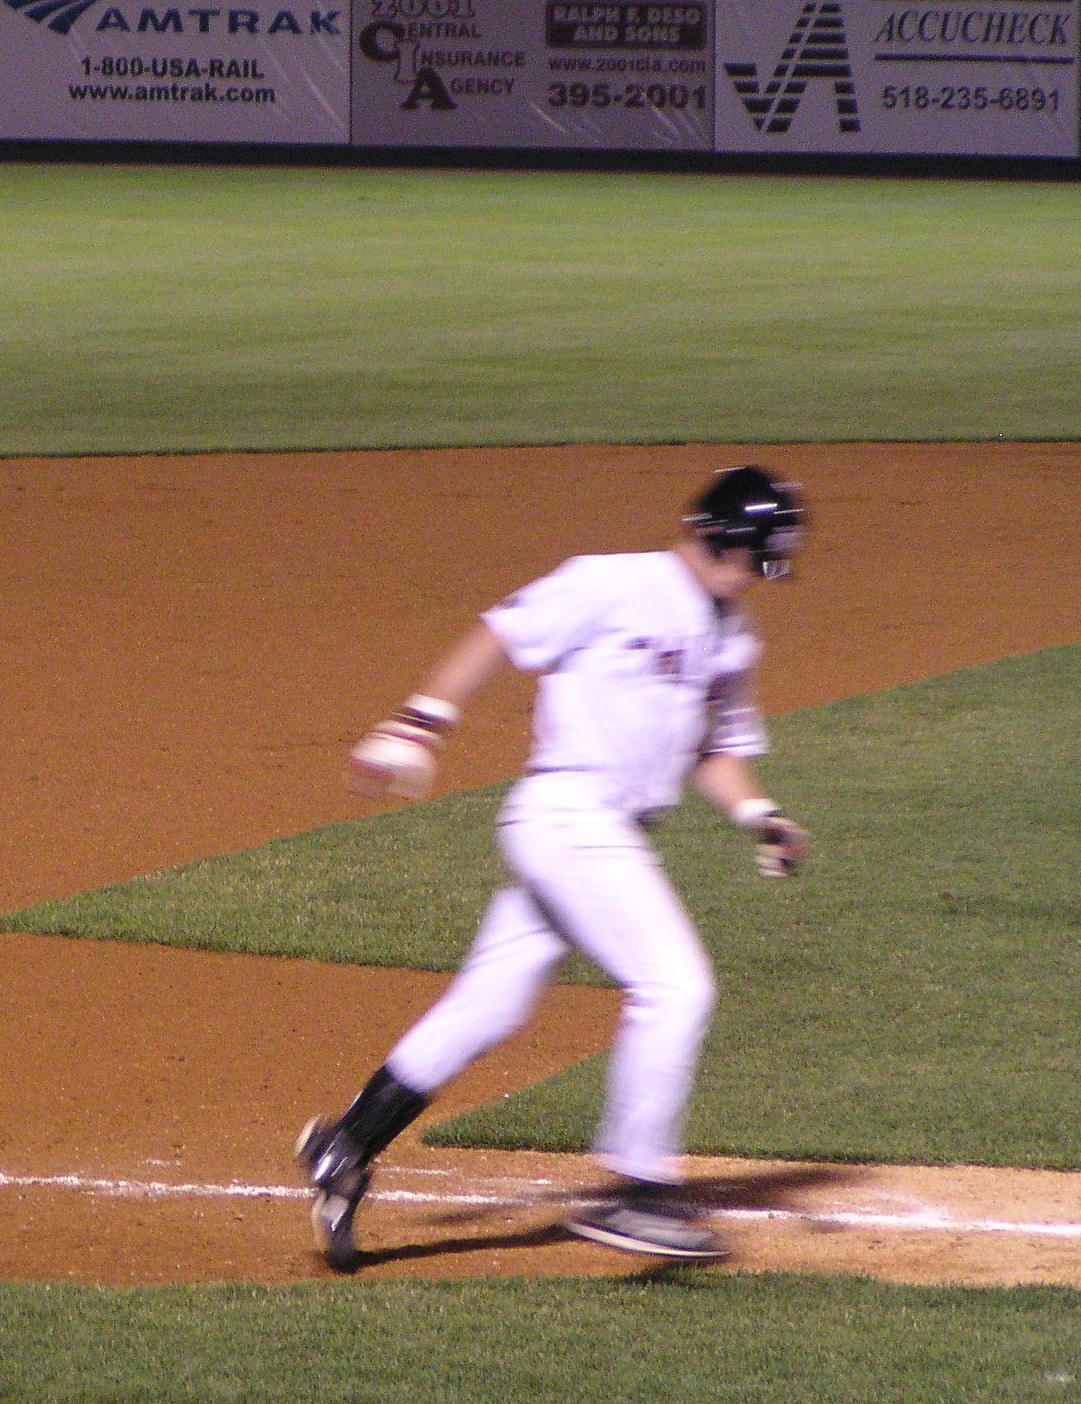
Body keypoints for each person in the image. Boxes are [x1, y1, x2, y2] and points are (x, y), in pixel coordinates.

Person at [296, 466, 809, 1268]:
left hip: (608, 832)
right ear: (719, 538)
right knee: (676, 985)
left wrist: (759, 815)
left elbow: (714, 748)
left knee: (489, 1005)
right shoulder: (611, 583)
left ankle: (346, 1146)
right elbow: (500, 634)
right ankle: (639, 1194)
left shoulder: (733, 634)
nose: (757, 576)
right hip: (568, 815)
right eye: (755, 557)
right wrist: (420, 723)